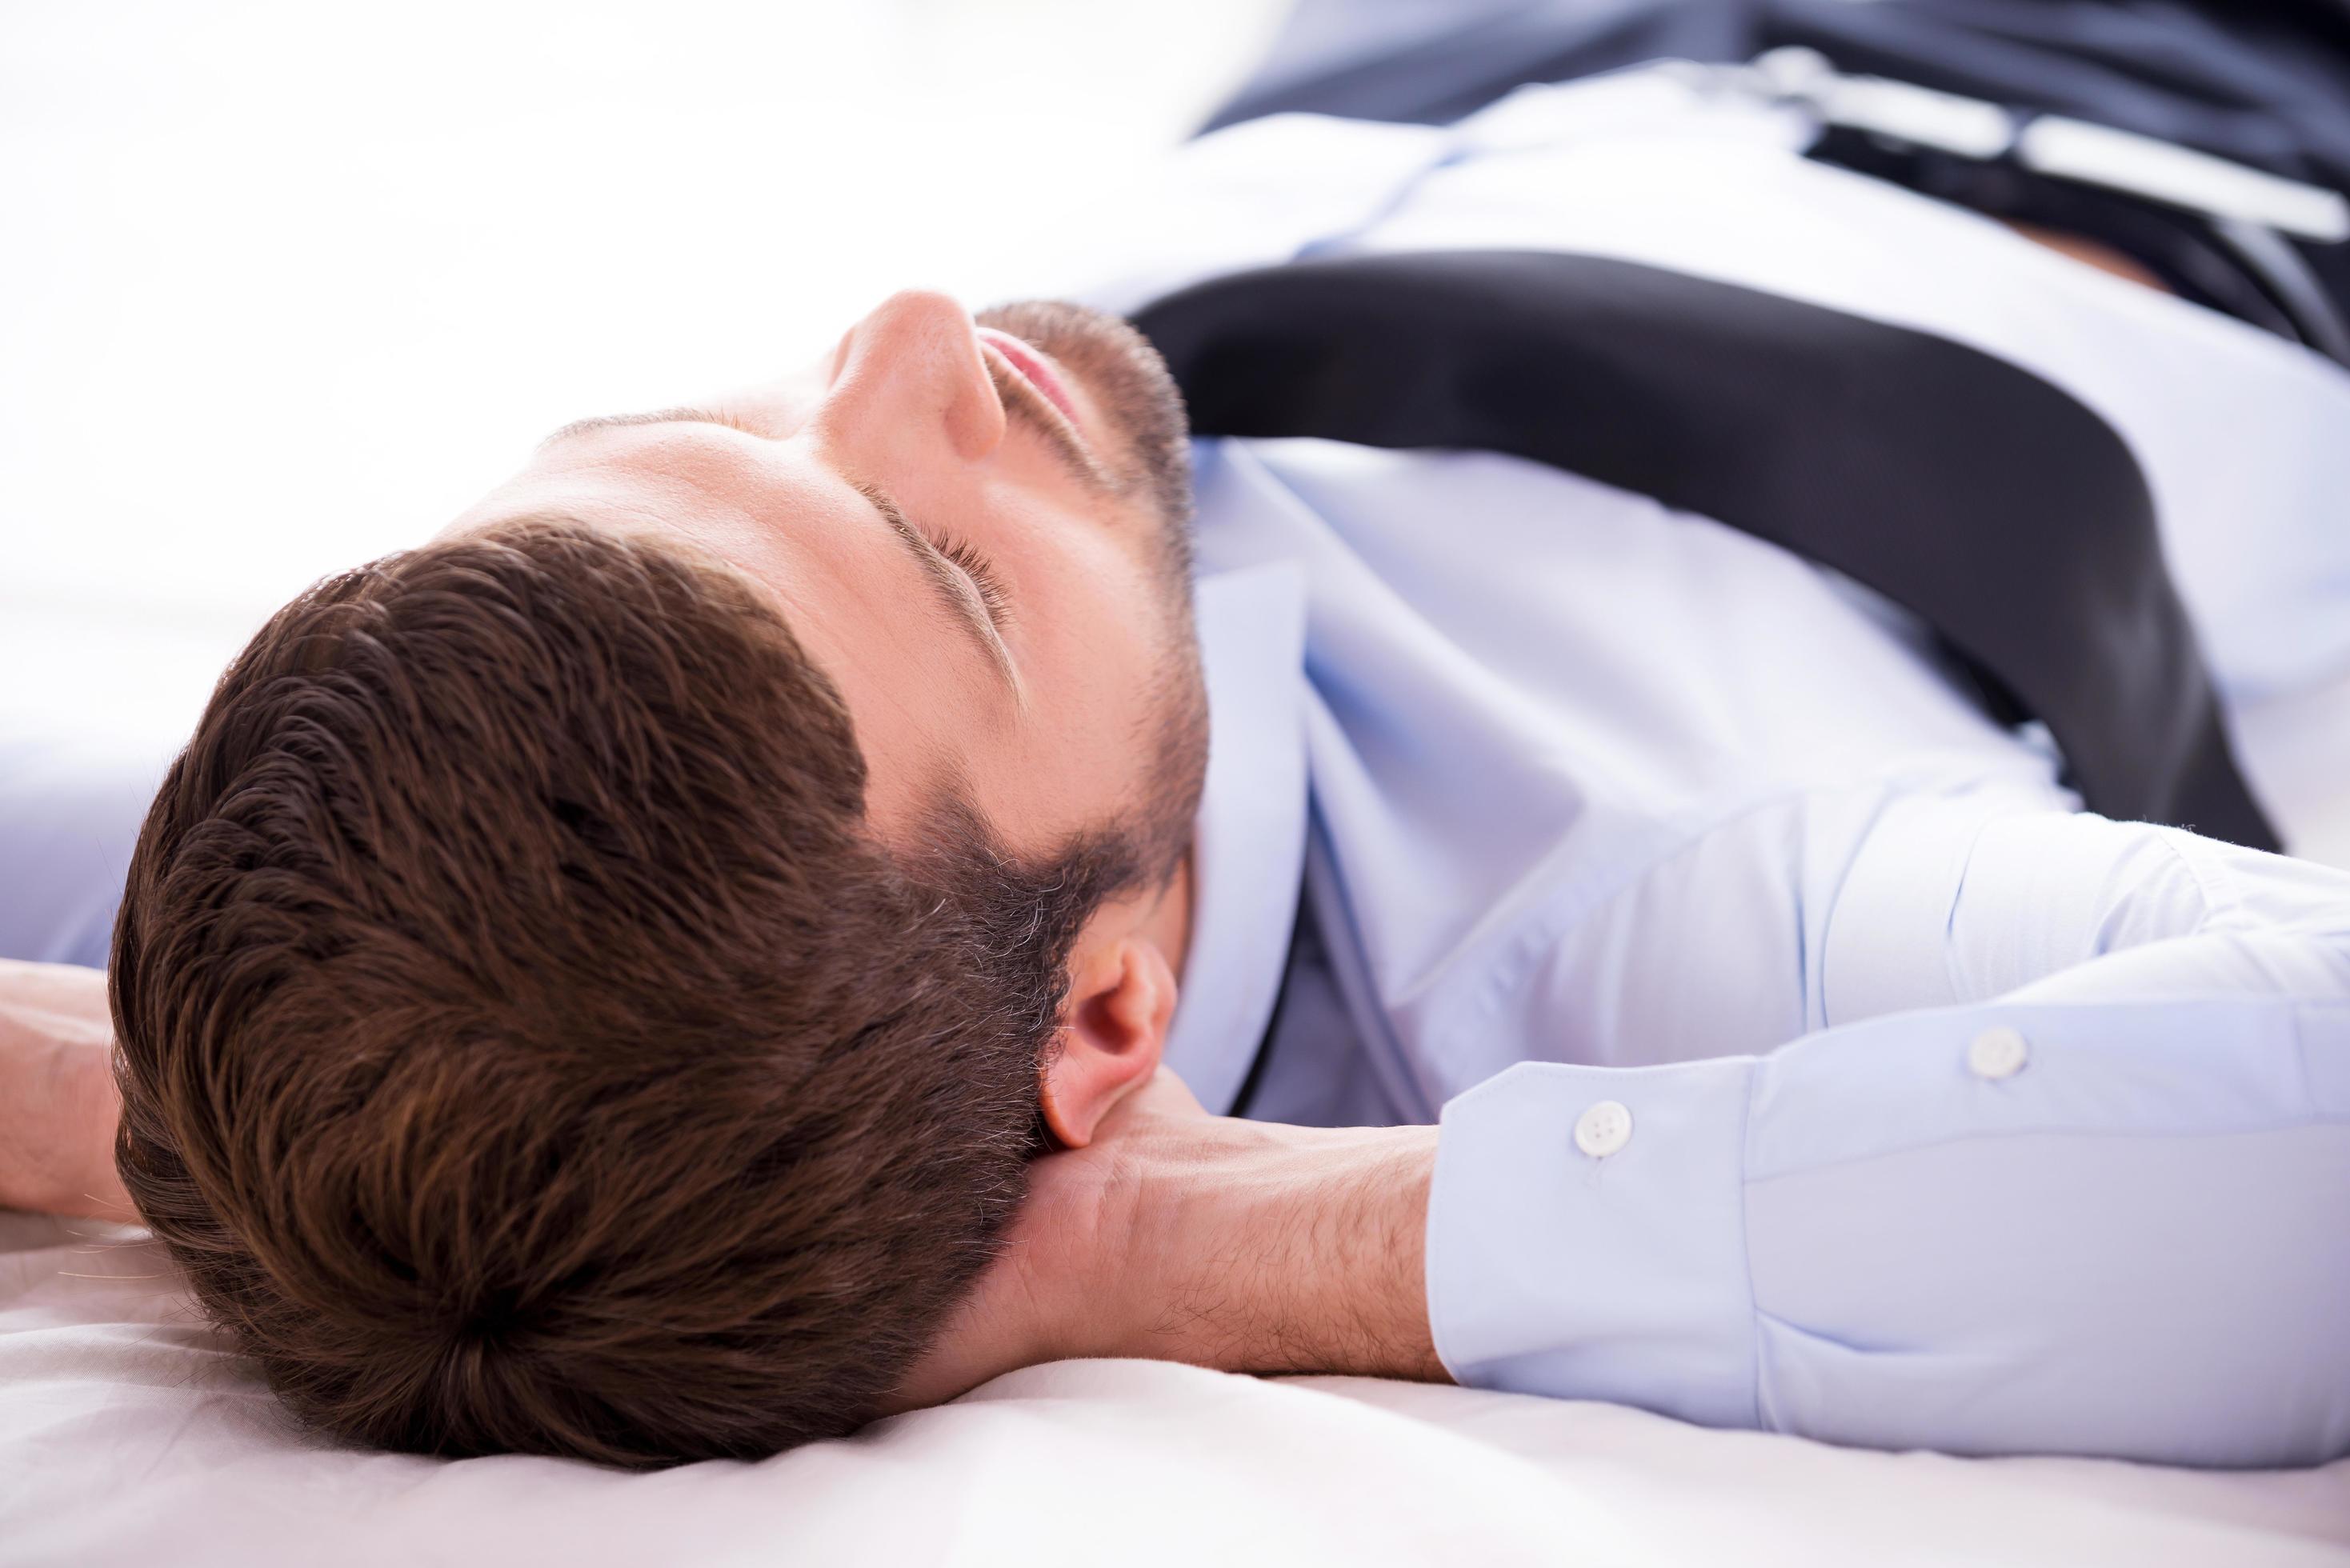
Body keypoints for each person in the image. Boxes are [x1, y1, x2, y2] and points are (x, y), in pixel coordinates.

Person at [5, 0, 2350, 1471]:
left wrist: (242, 1158)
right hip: (2106, 83)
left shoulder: (469, 903)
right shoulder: (1656, 912)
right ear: (1107, 1009)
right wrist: (1241, 1263)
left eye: (673, 423)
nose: (914, 335)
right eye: (943, 562)